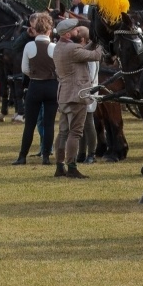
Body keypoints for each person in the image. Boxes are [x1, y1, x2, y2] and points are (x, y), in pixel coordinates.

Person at [52, 18, 102, 179]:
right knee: (75, 133)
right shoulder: (72, 49)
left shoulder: (59, 47)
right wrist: (100, 42)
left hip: (64, 95)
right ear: (68, 34)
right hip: (77, 95)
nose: (78, 31)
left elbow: (83, 51)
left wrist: (92, 42)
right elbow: (96, 55)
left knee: (63, 132)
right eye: (75, 29)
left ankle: (60, 166)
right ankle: (72, 166)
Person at [13, 13, 57, 166]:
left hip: (35, 85)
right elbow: (59, 69)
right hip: (52, 86)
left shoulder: (29, 46)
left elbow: (24, 68)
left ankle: (22, 156)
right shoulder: (54, 47)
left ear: (35, 30)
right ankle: (46, 156)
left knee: (30, 124)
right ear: (49, 31)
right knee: (49, 123)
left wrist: (35, 73)